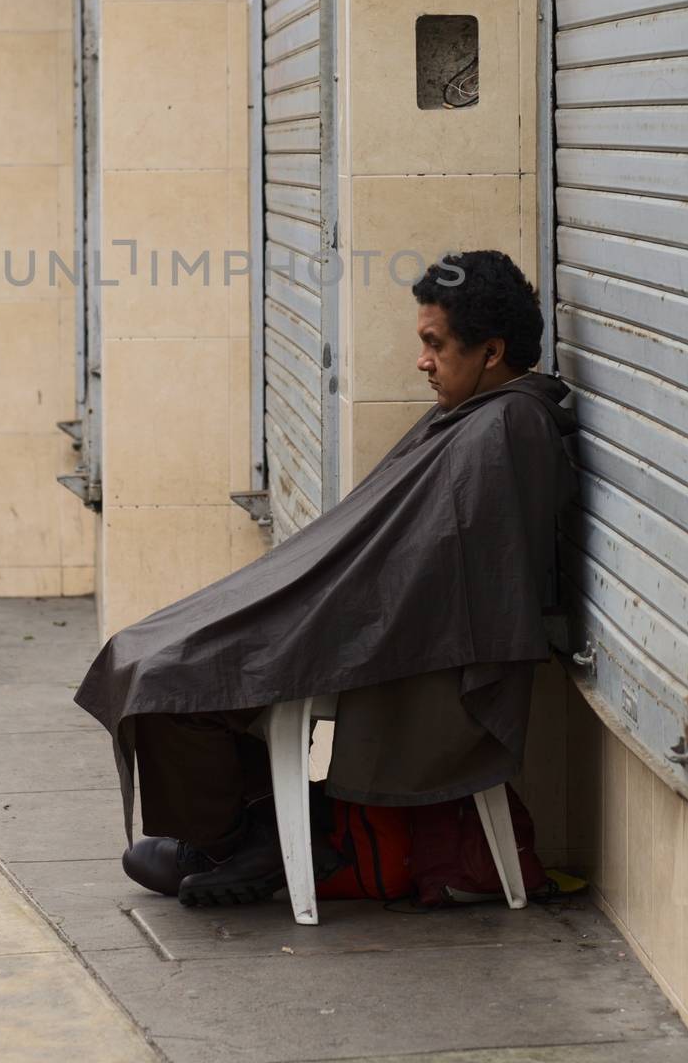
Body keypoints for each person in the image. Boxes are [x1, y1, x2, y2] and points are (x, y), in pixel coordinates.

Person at [75, 250, 577, 908]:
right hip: (362, 615)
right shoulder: (473, 415)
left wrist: (318, 615)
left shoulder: (506, 425)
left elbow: (452, 579)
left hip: (399, 648)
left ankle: (232, 840)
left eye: (434, 345)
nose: (421, 361)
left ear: (490, 351)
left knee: (170, 670)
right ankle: (254, 831)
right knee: (145, 650)